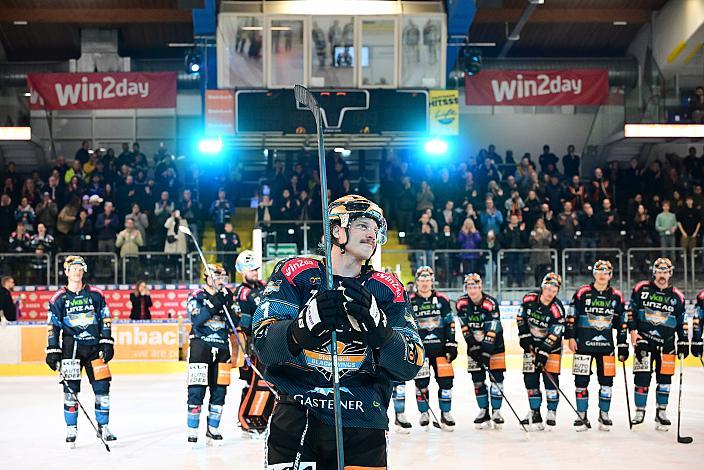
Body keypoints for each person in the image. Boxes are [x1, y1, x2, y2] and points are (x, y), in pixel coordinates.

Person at [252, 194, 423, 469]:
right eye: (364, 225)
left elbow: (411, 364)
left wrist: (382, 333)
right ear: (337, 229)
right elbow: (262, 345)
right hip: (298, 419)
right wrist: (303, 327)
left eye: (375, 228)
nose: (372, 233)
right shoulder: (296, 274)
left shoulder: (388, 288)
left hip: (364, 422)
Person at [44, 256, 116, 445]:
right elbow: (53, 325)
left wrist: (107, 341)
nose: (77, 271)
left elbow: (105, 318)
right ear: (66, 272)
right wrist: (53, 349)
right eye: (73, 268)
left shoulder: (96, 294)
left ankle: (104, 427)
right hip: (71, 349)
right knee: (70, 391)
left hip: (94, 349)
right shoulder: (58, 298)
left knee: (103, 390)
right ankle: (71, 429)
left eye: (80, 268)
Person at [566, 260, 627, 431]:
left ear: (610, 275)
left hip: (606, 346)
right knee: (580, 381)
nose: (602, 274)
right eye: (598, 271)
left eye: (605, 272)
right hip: (582, 345)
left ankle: (604, 414)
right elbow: (571, 316)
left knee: (607, 382)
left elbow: (622, 323)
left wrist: (623, 345)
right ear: (594, 274)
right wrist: (570, 337)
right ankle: (582, 415)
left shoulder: (616, 296)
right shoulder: (582, 293)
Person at [627, 258, 688, 430]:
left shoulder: (678, 296)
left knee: (665, 380)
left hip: (667, 344)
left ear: (670, 273)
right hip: (644, 341)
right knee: (642, 378)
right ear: (654, 272)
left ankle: (661, 412)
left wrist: (683, 340)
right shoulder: (641, 289)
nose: (662, 275)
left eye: (665, 272)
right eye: (659, 272)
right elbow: (631, 312)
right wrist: (633, 332)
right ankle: (639, 412)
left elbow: (681, 320)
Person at [394, 266, 455, 432]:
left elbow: (450, 322)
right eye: (422, 280)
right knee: (421, 384)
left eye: (428, 280)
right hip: (421, 350)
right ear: (417, 282)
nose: (425, 283)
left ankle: (446, 413)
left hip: (441, 350)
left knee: (446, 382)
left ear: (432, 281)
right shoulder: (410, 300)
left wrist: (452, 343)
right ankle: (424, 413)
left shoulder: (443, 300)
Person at [185, 263, 240, 443]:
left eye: (222, 277)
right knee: (196, 389)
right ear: (206, 278)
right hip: (201, 346)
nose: (220, 280)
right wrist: (215, 302)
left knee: (220, 390)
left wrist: (229, 303)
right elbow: (197, 319)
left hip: (222, 347)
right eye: (216, 276)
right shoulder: (196, 296)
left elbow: (236, 320)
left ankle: (213, 428)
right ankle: (193, 430)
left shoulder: (227, 295)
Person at [456, 273, 506, 429]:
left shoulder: (490, 303)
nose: (472, 290)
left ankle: (496, 411)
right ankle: (483, 410)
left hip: (495, 347)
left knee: (497, 380)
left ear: (481, 287)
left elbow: (493, 327)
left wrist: (485, 351)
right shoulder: (461, 303)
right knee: (477, 381)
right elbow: (464, 327)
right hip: (474, 349)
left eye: (475, 286)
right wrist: (472, 345)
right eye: (469, 287)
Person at [517, 272, 566, 430]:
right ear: (542, 286)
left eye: (555, 289)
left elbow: (556, 333)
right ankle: (535, 412)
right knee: (530, 380)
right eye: (548, 287)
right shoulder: (529, 299)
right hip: (531, 347)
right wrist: (525, 337)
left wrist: (544, 352)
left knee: (550, 381)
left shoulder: (557, 309)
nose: (551, 291)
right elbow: (520, 318)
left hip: (552, 349)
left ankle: (551, 412)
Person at [232, 250, 268, 434]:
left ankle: (263, 415)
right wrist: (247, 346)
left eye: (256, 269)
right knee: (253, 382)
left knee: (269, 382)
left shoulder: (264, 286)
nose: (255, 272)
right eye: (251, 269)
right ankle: (246, 418)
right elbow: (243, 324)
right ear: (242, 271)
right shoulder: (241, 293)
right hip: (253, 344)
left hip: (269, 340)